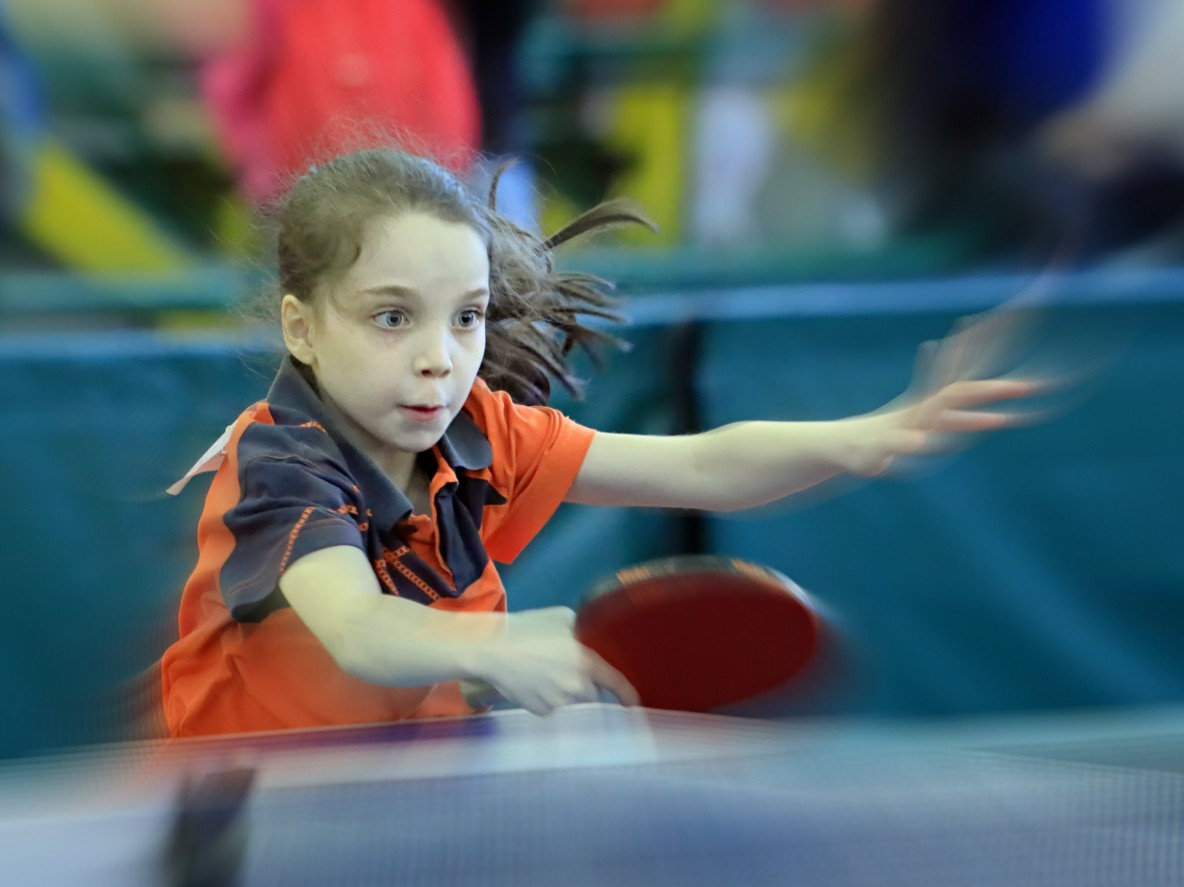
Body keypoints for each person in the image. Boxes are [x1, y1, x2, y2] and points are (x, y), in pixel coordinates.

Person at [161, 147, 1042, 738]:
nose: (441, 358)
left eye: (466, 317)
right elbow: (358, 628)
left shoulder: (481, 433)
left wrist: (869, 436)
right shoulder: (280, 465)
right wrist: (491, 647)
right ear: (302, 328)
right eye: (392, 317)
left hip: (411, 778)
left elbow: (701, 464)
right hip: (254, 807)